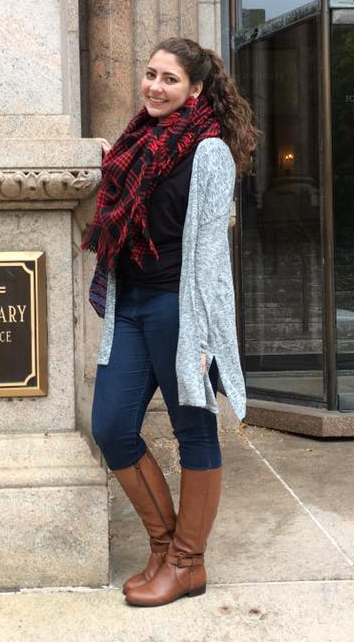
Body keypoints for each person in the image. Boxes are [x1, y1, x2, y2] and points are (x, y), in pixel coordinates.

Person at [81, 37, 260, 608]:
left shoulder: (209, 153)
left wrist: (204, 337)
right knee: (111, 426)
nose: (155, 87)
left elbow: (209, 253)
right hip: (131, 306)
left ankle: (187, 563)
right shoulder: (136, 142)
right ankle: (163, 547)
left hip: (178, 311)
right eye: (151, 74)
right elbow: (120, 202)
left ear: (196, 89)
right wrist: (104, 160)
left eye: (170, 79)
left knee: (194, 432)